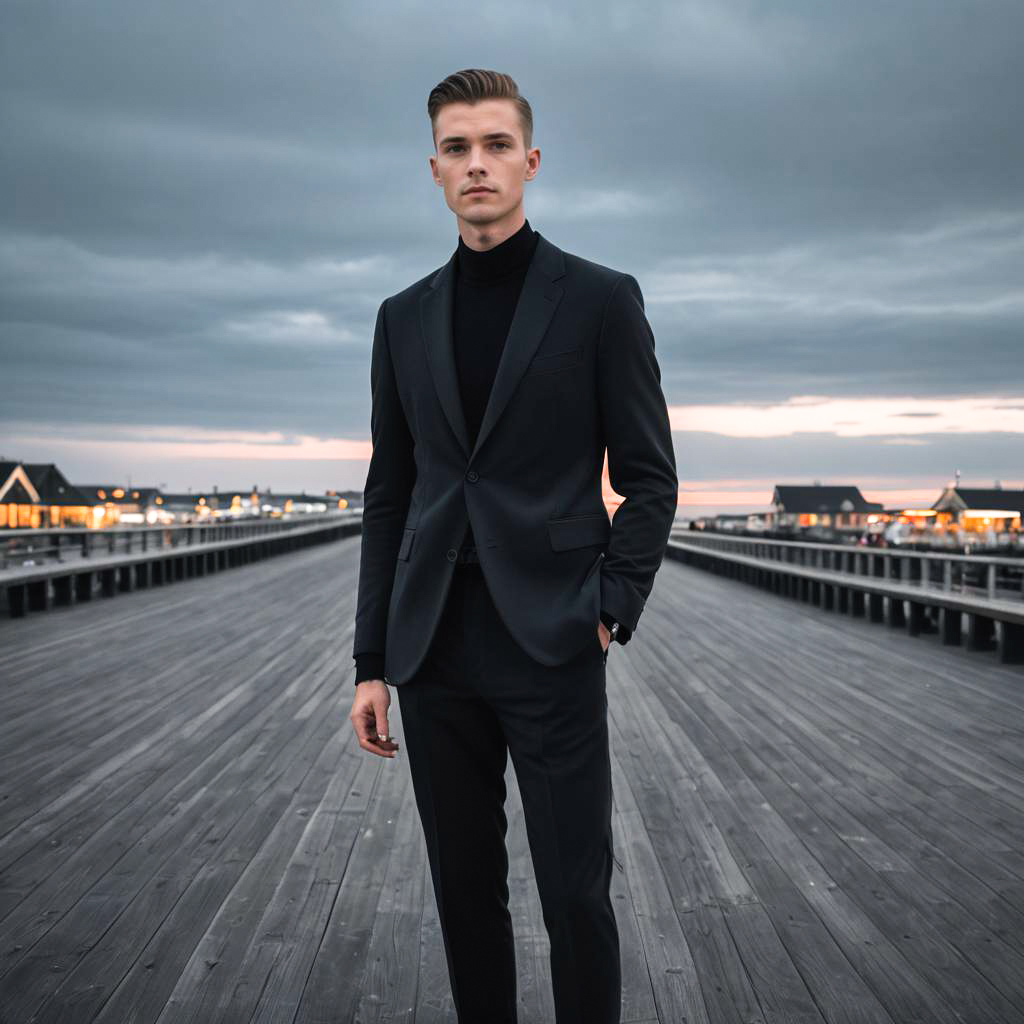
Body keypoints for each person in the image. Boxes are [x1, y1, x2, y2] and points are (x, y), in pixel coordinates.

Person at [349, 68, 678, 1024]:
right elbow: (389, 495)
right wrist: (372, 659)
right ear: (435, 170)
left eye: (496, 146)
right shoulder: (401, 318)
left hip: (554, 637)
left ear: (530, 162)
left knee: (577, 893)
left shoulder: (601, 300)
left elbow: (650, 477)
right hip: (433, 646)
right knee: (463, 895)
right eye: (458, 148)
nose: (477, 165)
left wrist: (612, 606)